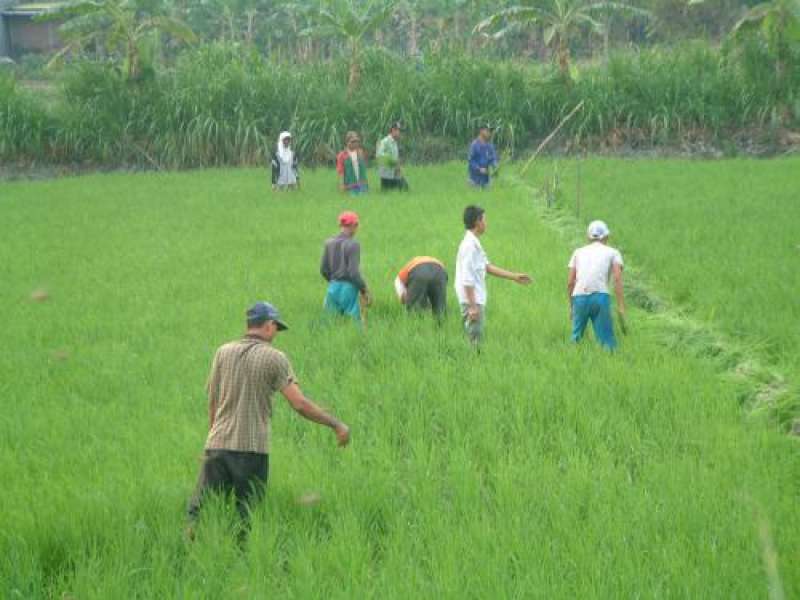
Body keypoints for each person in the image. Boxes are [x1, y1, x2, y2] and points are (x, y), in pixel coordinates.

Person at [187, 301, 350, 534]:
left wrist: (211, 442)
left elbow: (213, 401)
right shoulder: (275, 358)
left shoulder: (222, 352)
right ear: (268, 325)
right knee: (247, 516)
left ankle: (194, 551)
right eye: (276, 327)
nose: (276, 333)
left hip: (217, 446)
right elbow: (299, 404)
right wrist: (337, 424)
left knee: (200, 512)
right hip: (251, 449)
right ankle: (244, 561)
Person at [455, 205, 532, 345]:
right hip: (472, 300)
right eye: (484, 220)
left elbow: (487, 267)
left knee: (474, 338)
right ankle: (473, 364)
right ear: (477, 222)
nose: (486, 223)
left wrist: (514, 277)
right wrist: (472, 306)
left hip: (475, 298)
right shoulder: (469, 246)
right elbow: (467, 279)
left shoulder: (474, 243)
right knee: (474, 341)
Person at [567, 220, 626, 350]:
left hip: (579, 297)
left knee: (576, 339)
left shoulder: (578, 252)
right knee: (607, 342)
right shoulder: (613, 252)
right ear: (606, 236)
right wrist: (621, 306)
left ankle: (571, 359)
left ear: (588, 236)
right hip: (600, 296)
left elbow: (570, 282)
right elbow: (617, 278)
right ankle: (610, 362)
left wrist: (571, 306)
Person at [321, 211, 371, 322]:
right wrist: (364, 289)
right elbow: (353, 273)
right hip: (349, 288)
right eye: (357, 225)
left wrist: (334, 283)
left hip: (332, 288)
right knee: (355, 324)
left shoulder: (329, 243)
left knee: (331, 324)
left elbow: (323, 270)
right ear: (354, 225)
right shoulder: (353, 244)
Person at [376, 122, 409, 192]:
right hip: (386, 173)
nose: (400, 133)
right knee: (387, 192)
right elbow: (379, 154)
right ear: (393, 130)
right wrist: (391, 161)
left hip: (394, 172)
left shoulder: (395, 142)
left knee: (405, 189)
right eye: (398, 131)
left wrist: (398, 167)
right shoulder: (385, 141)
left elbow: (395, 158)